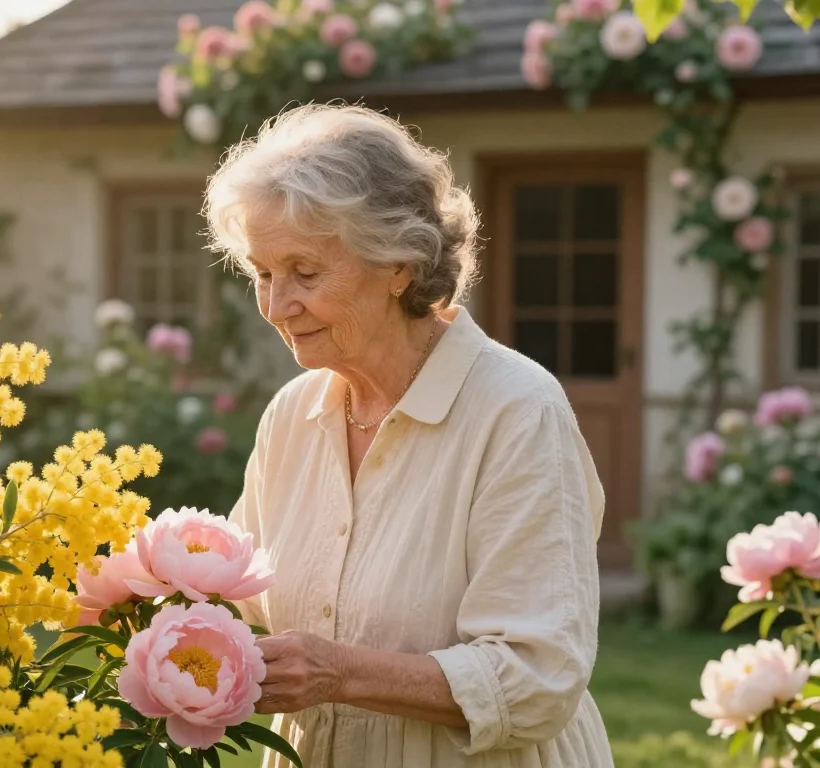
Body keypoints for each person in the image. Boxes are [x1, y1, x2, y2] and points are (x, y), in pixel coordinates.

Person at [206, 104, 615, 767]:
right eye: (263, 273)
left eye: (305, 272)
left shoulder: (517, 411)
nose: (277, 306)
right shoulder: (292, 415)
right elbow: (242, 605)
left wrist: (339, 672)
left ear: (398, 264)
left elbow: (538, 676)